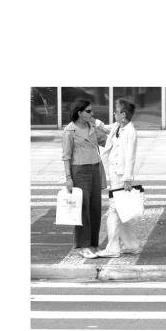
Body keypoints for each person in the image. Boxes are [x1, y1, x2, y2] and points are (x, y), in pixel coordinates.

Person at [61, 99, 107, 259]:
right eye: (88, 111)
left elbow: (107, 141)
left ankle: (94, 245)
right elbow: (66, 156)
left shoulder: (92, 127)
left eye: (92, 111)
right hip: (79, 171)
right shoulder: (69, 131)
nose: (91, 114)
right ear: (79, 113)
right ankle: (83, 246)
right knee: (83, 209)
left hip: (95, 169)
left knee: (95, 208)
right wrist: (68, 178)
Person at [95, 98, 139, 258]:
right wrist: (92, 120)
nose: (114, 113)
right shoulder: (116, 127)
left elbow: (130, 157)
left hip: (122, 176)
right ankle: (131, 245)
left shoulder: (131, 132)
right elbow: (104, 128)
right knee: (122, 210)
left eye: (116, 111)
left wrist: (128, 179)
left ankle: (113, 248)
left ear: (123, 114)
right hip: (113, 173)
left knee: (114, 209)